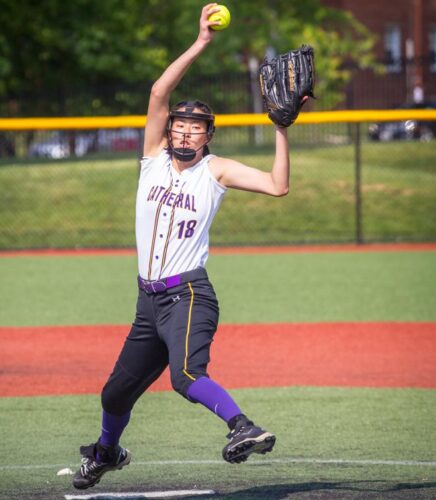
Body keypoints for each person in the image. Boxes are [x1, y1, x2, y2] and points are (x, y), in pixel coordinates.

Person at [73, 3, 299, 490]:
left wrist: (281, 129)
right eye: (180, 123)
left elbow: (278, 185)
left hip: (188, 296)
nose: (185, 129)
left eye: (196, 126)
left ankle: (244, 427)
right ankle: (107, 452)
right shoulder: (152, 159)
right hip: (147, 302)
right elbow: (159, 92)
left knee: (186, 376)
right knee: (115, 394)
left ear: (207, 136)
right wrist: (201, 43)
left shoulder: (214, 171)